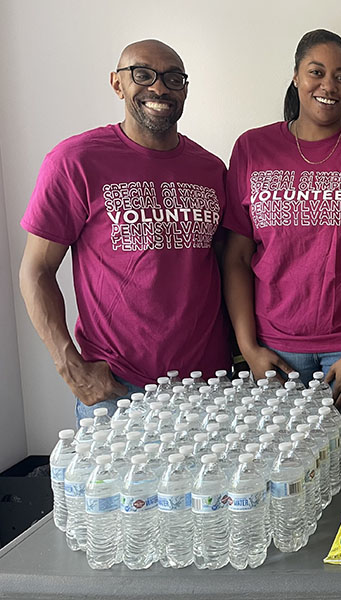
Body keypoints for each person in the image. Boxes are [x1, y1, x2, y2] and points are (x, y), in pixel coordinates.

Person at [19, 40, 231, 421]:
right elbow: (35, 271)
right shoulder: (76, 162)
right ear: (117, 84)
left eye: (173, 78)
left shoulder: (211, 170)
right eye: (143, 75)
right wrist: (71, 367)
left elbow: (224, 266)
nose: (160, 88)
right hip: (119, 389)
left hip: (208, 387)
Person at [222, 29, 341, 431]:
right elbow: (237, 257)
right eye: (317, 72)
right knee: (285, 469)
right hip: (275, 349)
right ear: (296, 77)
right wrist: (248, 349)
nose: (329, 86)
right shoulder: (252, 148)